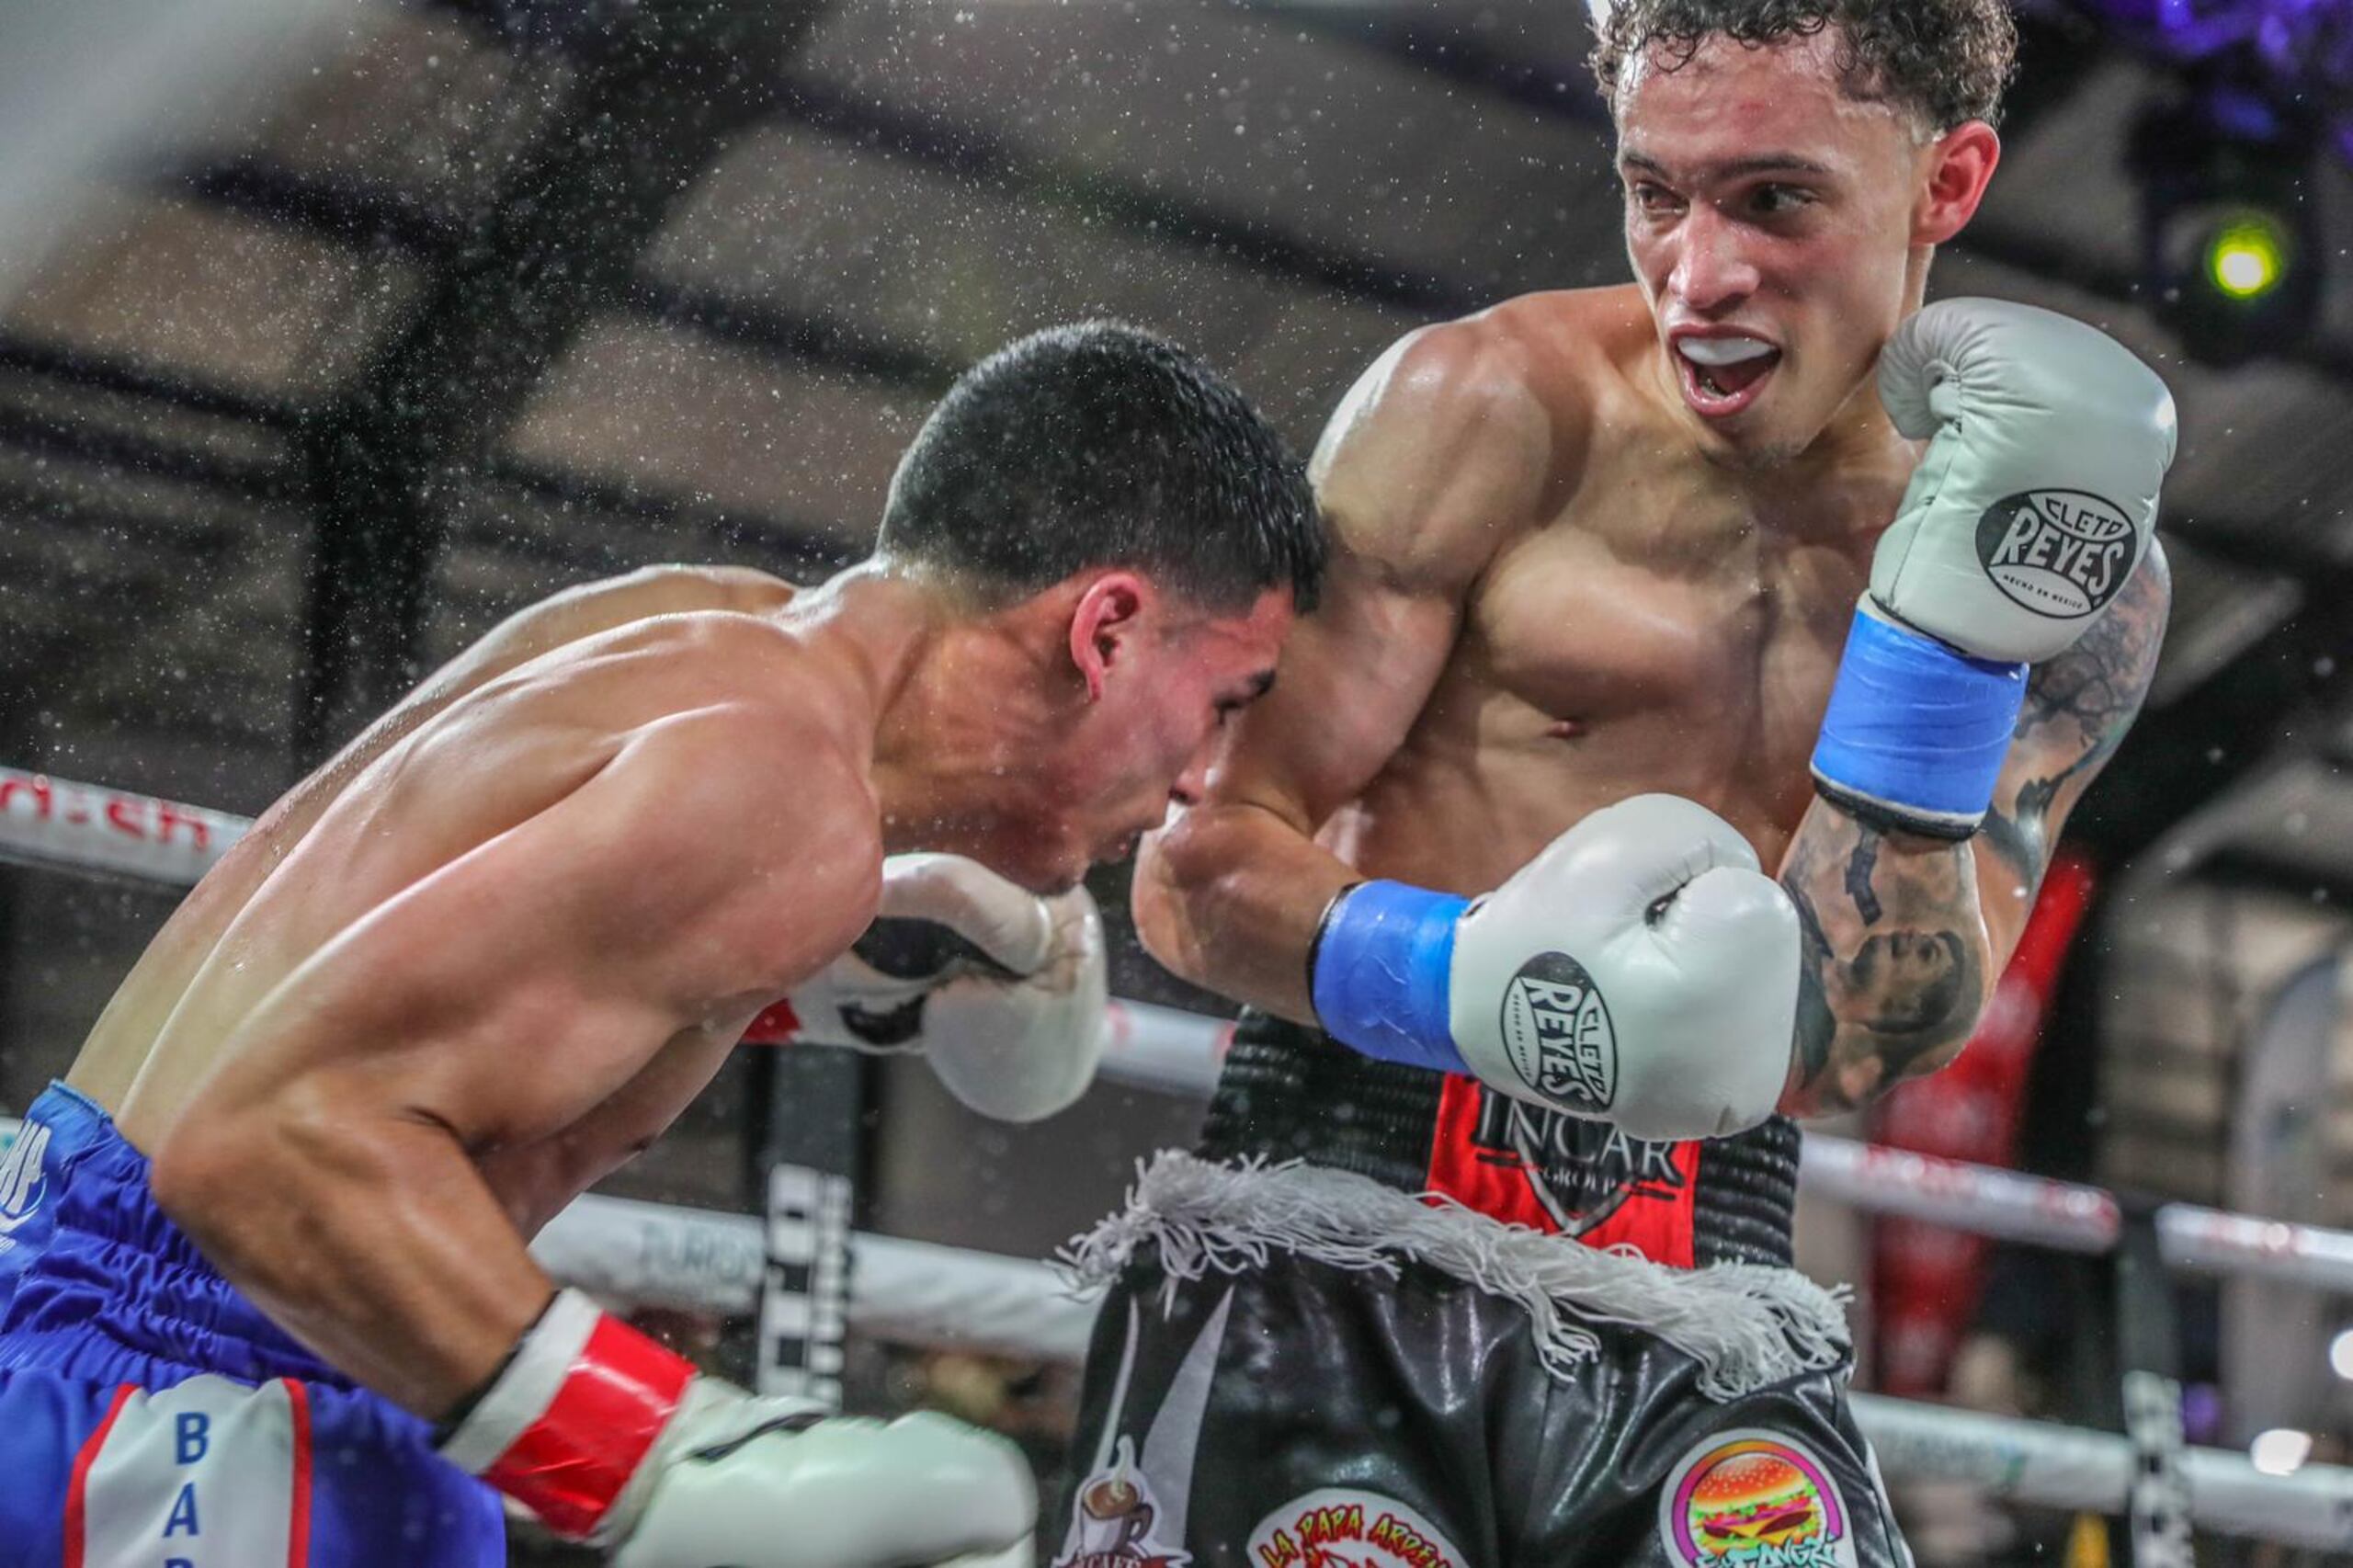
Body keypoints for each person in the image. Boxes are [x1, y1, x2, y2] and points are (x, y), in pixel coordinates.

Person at [1057, 5, 2177, 1564]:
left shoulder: (2062, 564)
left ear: (1950, 180)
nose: (1700, 276)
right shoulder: (1486, 409)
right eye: (1659, 192)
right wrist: (1465, 981)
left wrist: (1939, 651)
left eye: (1775, 200)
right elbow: (1195, 872)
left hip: (1711, 1276)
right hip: (1345, 1216)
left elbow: (1876, 1029)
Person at [0, 323, 1324, 1567]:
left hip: (96, 1322)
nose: (1204, 777)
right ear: (1105, 629)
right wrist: (666, 1460)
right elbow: (266, 1149)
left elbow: (506, 995)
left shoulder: (690, 638)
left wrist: (911, 978)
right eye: (1221, 703)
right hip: (194, 1397)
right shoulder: (779, 793)